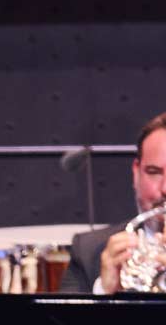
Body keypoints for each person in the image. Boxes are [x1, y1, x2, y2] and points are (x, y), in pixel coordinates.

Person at [61, 111, 166, 295]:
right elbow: (61, 323)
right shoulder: (88, 251)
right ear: (136, 173)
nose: (165, 188)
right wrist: (103, 292)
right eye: (154, 172)